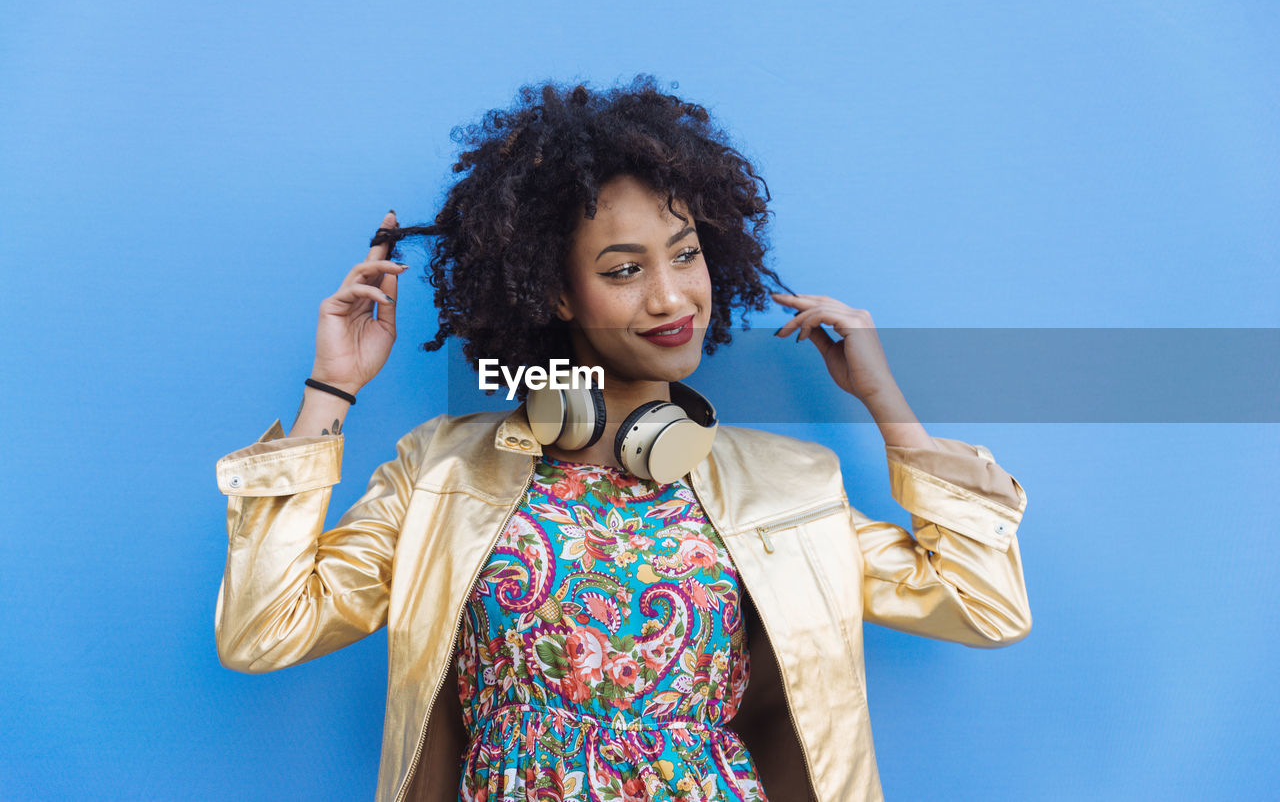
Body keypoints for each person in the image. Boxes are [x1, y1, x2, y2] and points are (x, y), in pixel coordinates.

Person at [214, 75, 1031, 802]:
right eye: (623, 270)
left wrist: (887, 404)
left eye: (685, 254)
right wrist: (332, 391)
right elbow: (265, 630)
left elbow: (985, 605)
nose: (674, 297)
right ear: (556, 293)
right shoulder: (443, 468)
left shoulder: (788, 483)